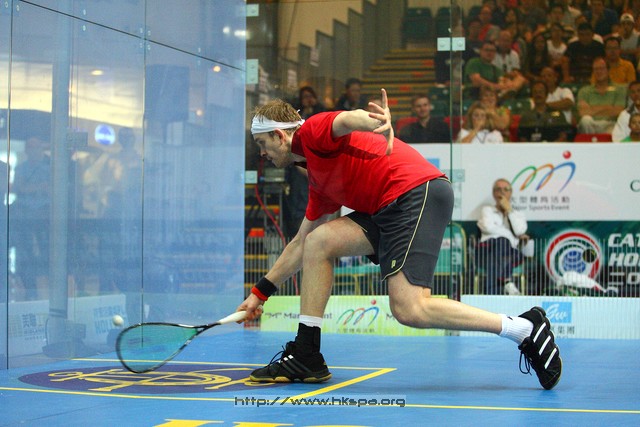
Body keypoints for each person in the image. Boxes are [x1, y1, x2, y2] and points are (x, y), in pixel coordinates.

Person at [238, 88, 562, 391]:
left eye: (262, 144)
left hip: (415, 193)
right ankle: (306, 353)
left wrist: (375, 121)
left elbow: (346, 119)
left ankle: (524, 328)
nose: (262, 153)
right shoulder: (319, 180)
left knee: (410, 309)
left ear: (279, 135)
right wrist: (259, 294)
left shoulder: (311, 132)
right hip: (387, 207)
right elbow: (299, 243)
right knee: (318, 241)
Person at [10, 137, 51, 300]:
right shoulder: (21, 168)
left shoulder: (49, 169)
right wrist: (37, 188)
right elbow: (18, 188)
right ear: (27, 150)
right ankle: (27, 286)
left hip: (43, 218)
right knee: (25, 253)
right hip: (24, 218)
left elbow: (52, 189)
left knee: (45, 253)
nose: (34, 151)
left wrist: (30, 189)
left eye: (37, 148)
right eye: (31, 148)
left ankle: (43, 287)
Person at [476, 178, 530, 295]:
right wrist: (509, 234)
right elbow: (487, 227)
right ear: (493, 193)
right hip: (486, 250)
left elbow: (520, 230)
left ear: (511, 192)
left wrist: (509, 211)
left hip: (509, 253)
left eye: (506, 189)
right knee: (502, 241)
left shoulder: (518, 214)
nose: (502, 192)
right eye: (498, 189)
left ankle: (491, 295)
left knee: (497, 254)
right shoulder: (487, 210)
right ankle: (507, 281)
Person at [576, 57, 627, 133]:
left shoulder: (619, 90)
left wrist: (592, 109)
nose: (599, 72)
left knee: (615, 129)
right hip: (590, 124)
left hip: (610, 124)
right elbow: (583, 112)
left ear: (608, 70)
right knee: (585, 120)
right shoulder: (584, 91)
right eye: (596, 69)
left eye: (602, 68)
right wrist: (608, 107)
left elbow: (618, 111)